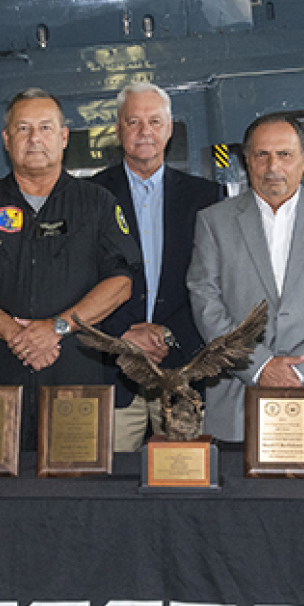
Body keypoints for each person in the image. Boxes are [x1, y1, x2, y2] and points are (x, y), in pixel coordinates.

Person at [0, 88, 141, 445]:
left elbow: (121, 282)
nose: (35, 139)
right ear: (6, 139)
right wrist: (12, 332)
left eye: (45, 128)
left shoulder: (97, 204)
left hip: (75, 377)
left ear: (63, 138)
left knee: (77, 488)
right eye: (23, 129)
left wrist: (56, 328)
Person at [187, 114, 304, 441]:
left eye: (284, 154)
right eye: (262, 155)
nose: (273, 166)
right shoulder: (214, 222)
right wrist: (260, 366)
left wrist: (298, 370)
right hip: (238, 400)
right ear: (247, 161)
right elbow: (205, 303)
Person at [92, 83, 221, 450]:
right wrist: (124, 336)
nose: (144, 131)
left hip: (182, 370)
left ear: (169, 128)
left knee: (186, 483)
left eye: (154, 121)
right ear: (118, 131)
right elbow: (83, 280)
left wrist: (168, 334)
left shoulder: (206, 197)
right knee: (105, 486)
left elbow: (211, 281)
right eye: (133, 121)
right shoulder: (90, 196)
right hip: (114, 373)